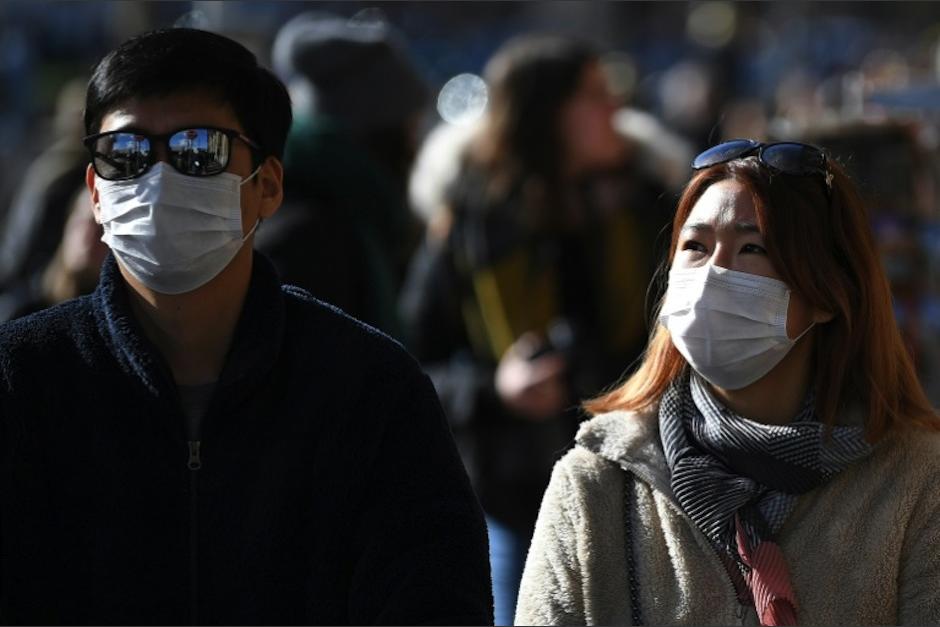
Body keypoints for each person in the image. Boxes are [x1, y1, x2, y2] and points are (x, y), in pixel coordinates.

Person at [0, 28, 492, 625]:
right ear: (95, 192)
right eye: (125, 152)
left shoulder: (371, 391)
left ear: (267, 186)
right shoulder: (22, 378)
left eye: (199, 149)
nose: (157, 178)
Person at [515, 139, 940, 625]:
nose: (713, 275)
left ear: (826, 294)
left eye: (751, 248)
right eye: (695, 247)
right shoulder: (597, 483)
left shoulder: (916, 482)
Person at [400, 34, 668, 626]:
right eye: (594, 93)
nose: (615, 106)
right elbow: (411, 366)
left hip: (639, 486)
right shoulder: (471, 223)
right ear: (547, 113)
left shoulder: (646, 202)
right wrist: (497, 388)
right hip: (513, 501)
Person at [255, 12, 428, 340]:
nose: (417, 146)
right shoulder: (307, 236)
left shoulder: (354, 213)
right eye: (409, 129)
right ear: (381, 136)